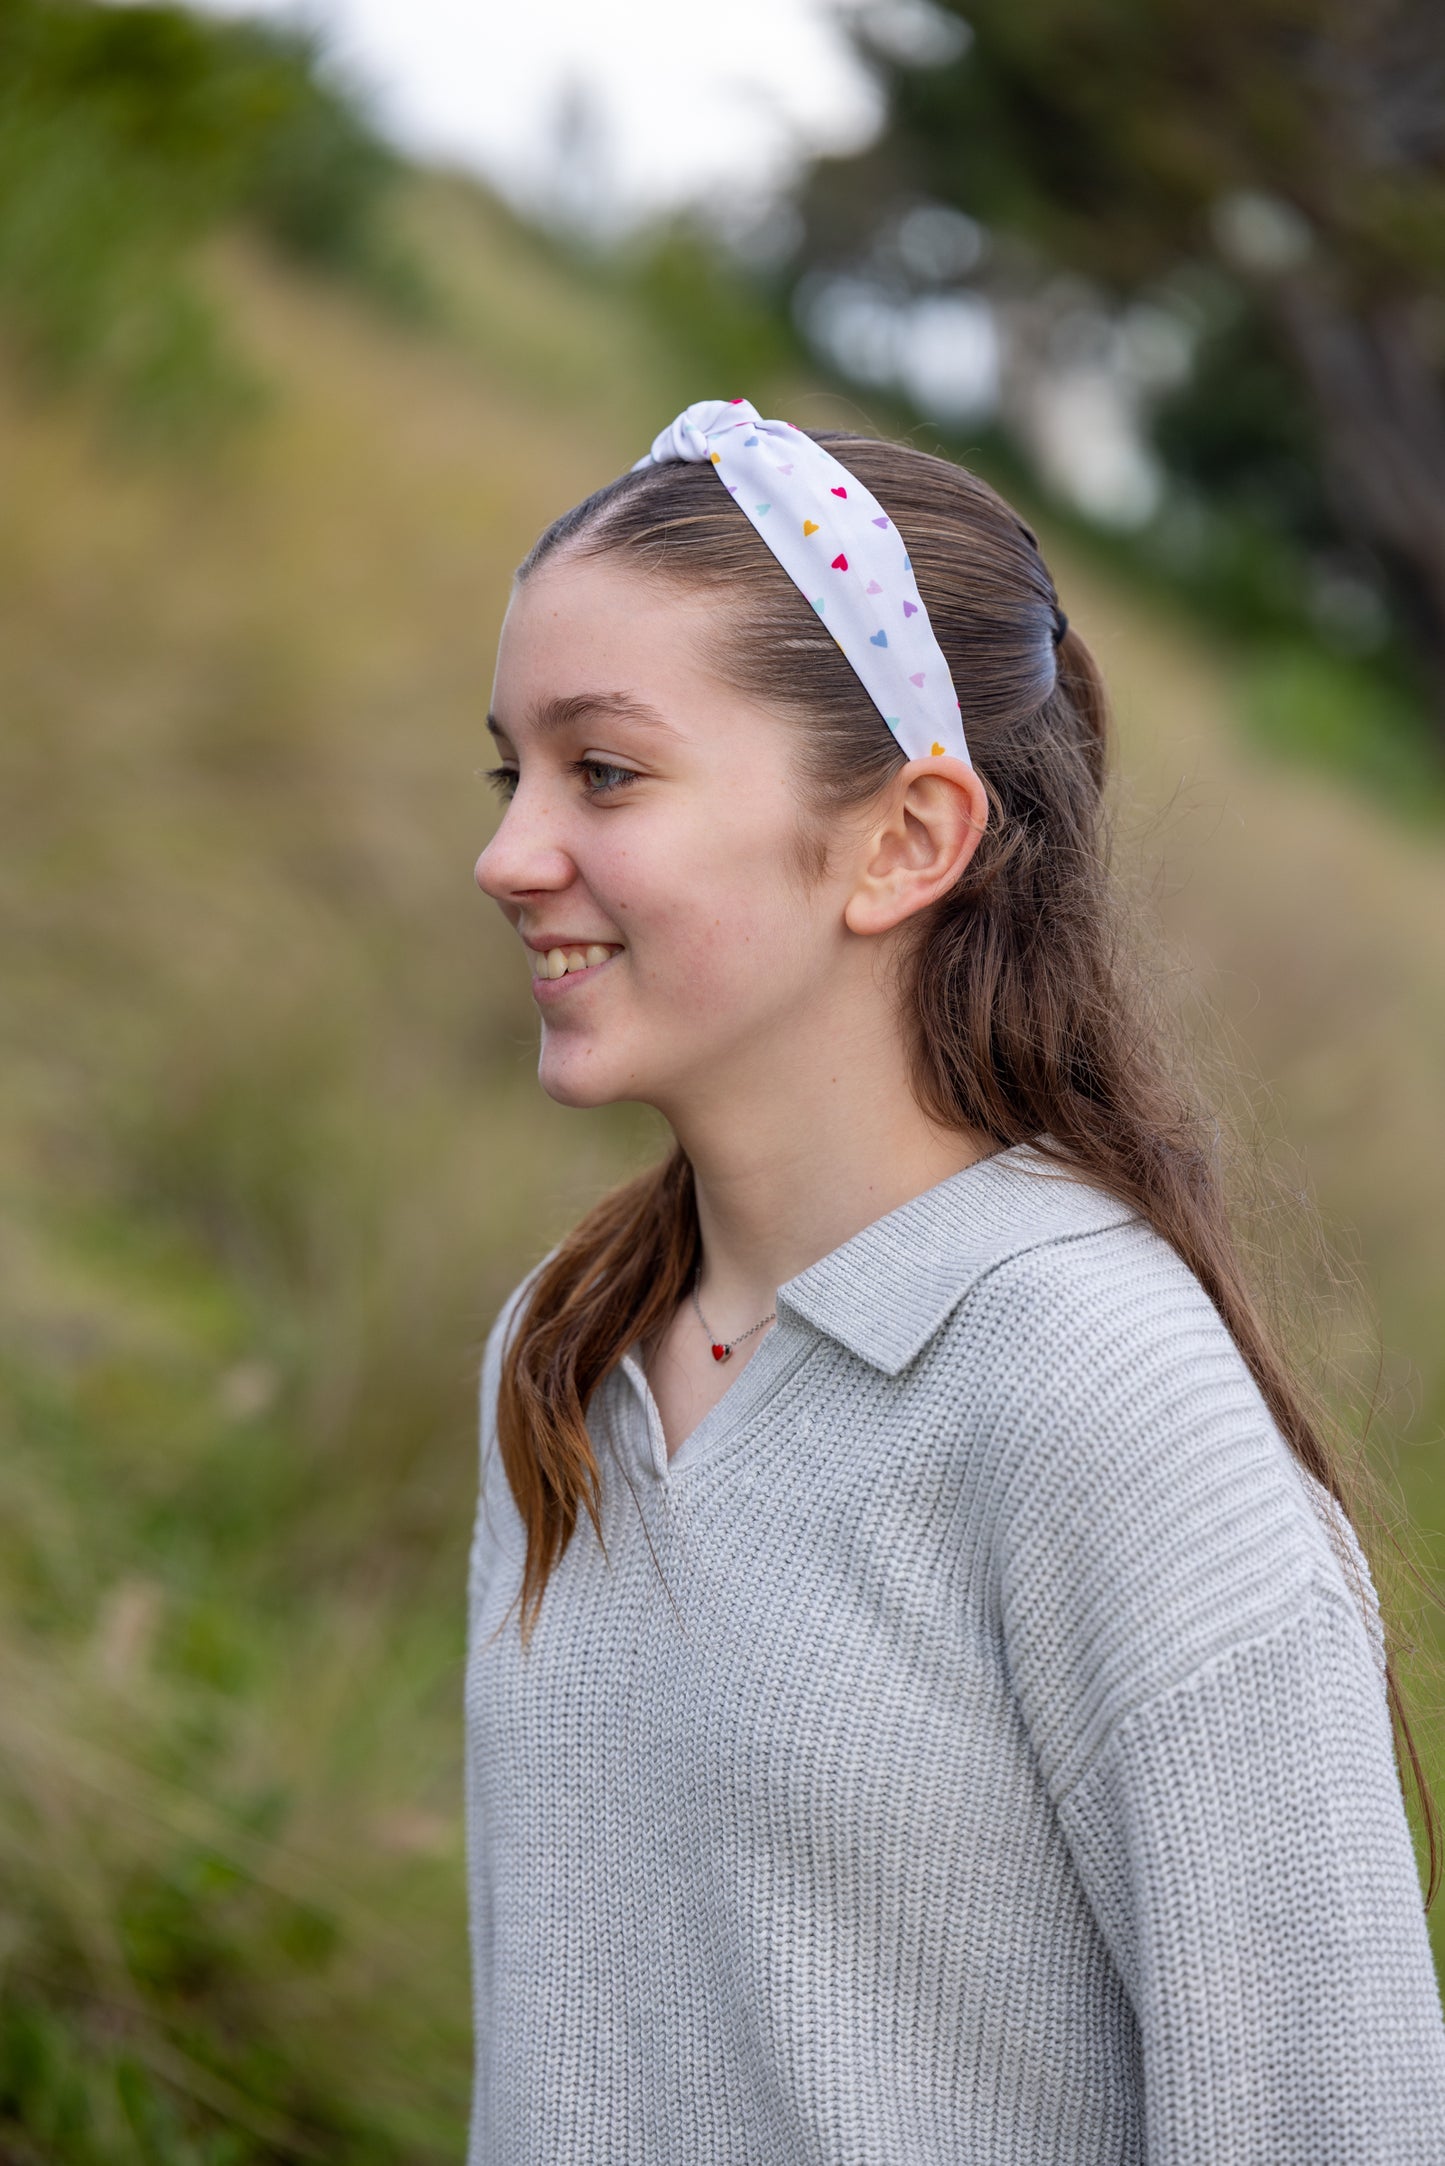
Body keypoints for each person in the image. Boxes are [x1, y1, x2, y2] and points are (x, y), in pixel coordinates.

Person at [465, 395, 1445, 2164]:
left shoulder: (1103, 1397)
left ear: (908, 838)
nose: (510, 851)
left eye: (602, 770)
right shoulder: (561, 1348)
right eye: (508, 770)